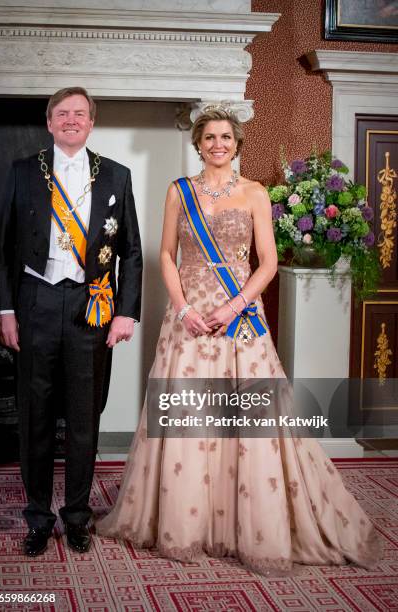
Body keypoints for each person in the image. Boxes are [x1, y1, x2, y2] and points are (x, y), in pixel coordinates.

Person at [96, 107, 380, 575]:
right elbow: (166, 254)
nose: (217, 144)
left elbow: (267, 262)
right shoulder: (178, 191)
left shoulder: (255, 193)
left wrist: (233, 306)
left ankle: (246, 525)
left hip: (239, 318)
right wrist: (184, 308)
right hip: (187, 320)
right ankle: (187, 524)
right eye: (209, 137)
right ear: (199, 143)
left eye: (226, 136)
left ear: (237, 143)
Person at [0, 87, 142, 556]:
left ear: (91, 122)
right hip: (35, 304)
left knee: (83, 419)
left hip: (91, 307)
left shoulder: (116, 176)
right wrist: (5, 311)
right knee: (34, 417)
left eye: (80, 113)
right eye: (63, 113)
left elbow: (132, 253)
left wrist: (126, 312)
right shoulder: (23, 172)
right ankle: (38, 517)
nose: (72, 119)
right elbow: (0, 249)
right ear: (50, 121)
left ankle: (76, 517)